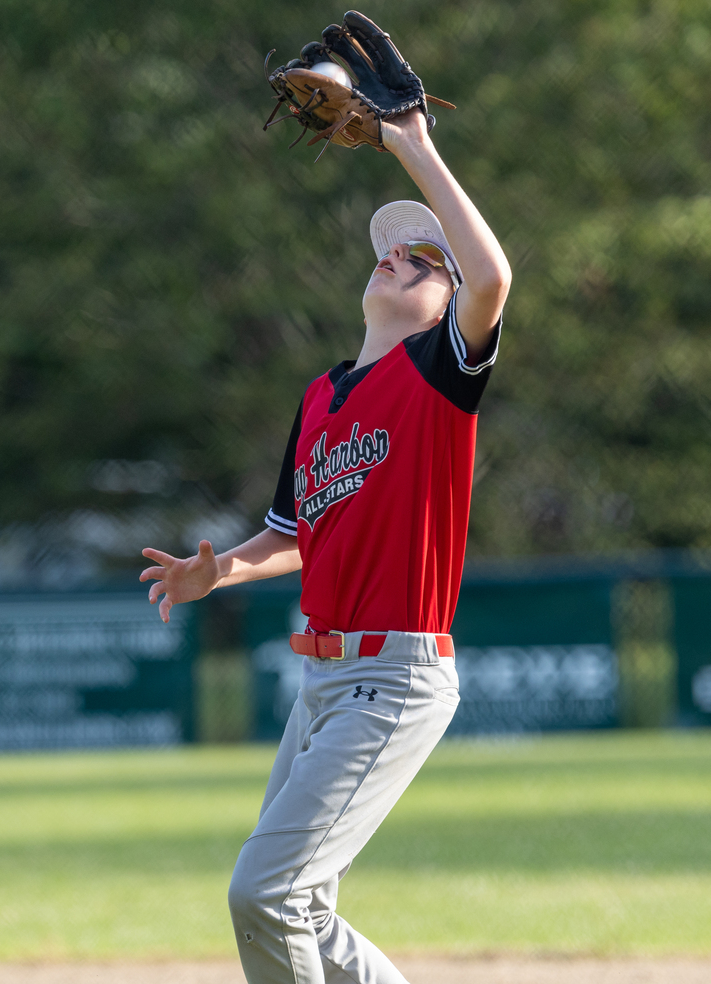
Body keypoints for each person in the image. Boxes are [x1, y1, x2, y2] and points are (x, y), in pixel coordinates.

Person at [139, 105, 510, 984]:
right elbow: (290, 531)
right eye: (393, 249)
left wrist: (412, 145)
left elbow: (491, 277)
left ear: (447, 307)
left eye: (425, 263)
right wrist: (216, 573)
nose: (399, 259)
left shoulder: (436, 378)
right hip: (324, 683)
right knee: (299, 905)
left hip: (394, 677)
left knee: (263, 894)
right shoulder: (321, 398)